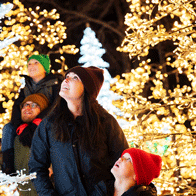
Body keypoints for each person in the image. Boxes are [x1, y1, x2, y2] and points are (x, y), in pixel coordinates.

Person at [29, 66, 129, 195]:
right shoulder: (49, 124)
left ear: (87, 88)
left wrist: (107, 190)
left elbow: (125, 162)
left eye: (75, 77)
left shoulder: (105, 122)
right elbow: (37, 167)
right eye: (67, 77)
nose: (66, 80)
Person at [2, 54, 63, 174]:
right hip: (27, 121)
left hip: (47, 120)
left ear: (45, 67)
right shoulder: (26, 86)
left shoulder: (55, 84)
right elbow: (16, 107)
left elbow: (56, 105)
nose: (31, 66)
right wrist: (20, 126)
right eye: (29, 63)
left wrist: (39, 121)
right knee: (8, 129)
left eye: (36, 63)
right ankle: (7, 166)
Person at [14, 93, 49, 195]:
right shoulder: (17, 138)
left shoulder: (51, 134)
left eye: (34, 105)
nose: (28, 108)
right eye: (25, 105)